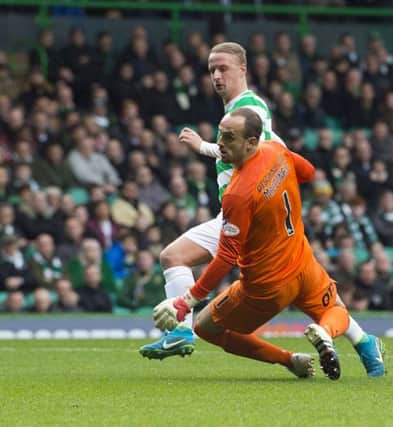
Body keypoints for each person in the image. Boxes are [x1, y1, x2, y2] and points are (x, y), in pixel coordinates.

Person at [140, 42, 384, 378]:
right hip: (261, 216)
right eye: (212, 69)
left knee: (175, 259)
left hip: (246, 214)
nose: (216, 75)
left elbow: (256, 150)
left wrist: (204, 147)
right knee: (312, 294)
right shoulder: (243, 115)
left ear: (243, 68)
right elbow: (276, 150)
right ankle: (364, 343)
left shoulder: (249, 107)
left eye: (223, 67)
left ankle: (181, 327)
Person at [153, 109, 355, 380]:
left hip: (266, 286)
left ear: (250, 142)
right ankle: (325, 333)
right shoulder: (275, 150)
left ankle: (289, 360)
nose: (221, 143)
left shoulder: (237, 194)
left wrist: (186, 301)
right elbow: (308, 172)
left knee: (205, 328)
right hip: (303, 263)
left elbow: (226, 256)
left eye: (229, 137)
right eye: (220, 135)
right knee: (336, 310)